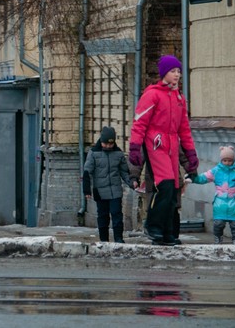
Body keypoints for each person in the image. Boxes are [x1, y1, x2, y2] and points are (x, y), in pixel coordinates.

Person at [128, 55, 199, 246]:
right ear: (164, 73)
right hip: (155, 143)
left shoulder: (179, 99)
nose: (176, 75)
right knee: (165, 186)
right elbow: (139, 124)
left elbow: (184, 129)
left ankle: (168, 233)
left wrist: (191, 154)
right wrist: (134, 147)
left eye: (178, 72)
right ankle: (153, 226)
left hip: (172, 147)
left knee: (172, 190)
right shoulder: (152, 94)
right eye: (172, 71)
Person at [186, 146, 235, 245]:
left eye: (229, 160)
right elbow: (204, 177)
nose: (227, 163)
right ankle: (218, 239)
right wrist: (193, 179)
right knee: (218, 224)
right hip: (220, 204)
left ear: (233, 160)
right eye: (225, 160)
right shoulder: (216, 171)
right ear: (221, 160)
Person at [83, 126, 136, 243]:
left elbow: (124, 171)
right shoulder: (93, 153)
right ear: (101, 141)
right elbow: (87, 172)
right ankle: (104, 240)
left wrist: (131, 182)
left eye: (110, 144)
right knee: (103, 216)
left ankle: (118, 239)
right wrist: (86, 190)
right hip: (100, 191)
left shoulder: (118, 153)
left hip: (115, 190)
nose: (108, 146)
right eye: (105, 144)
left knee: (117, 215)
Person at [130, 146, 189, 245]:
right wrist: (134, 177)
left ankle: (172, 236)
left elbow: (184, 157)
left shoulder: (172, 137)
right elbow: (138, 160)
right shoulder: (150, 140)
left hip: (173, 180)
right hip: (155, 182)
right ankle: (157, 237)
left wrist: (191, 170)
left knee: (173, 209)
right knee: (157, 209)